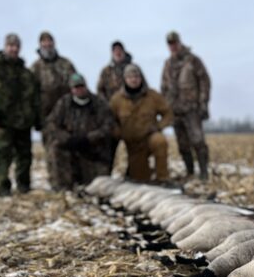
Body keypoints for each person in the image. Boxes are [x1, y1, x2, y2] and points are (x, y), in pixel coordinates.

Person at [0, 33, 40, 196]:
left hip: (24, 122)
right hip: (3, 122)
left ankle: (24, 185)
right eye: (10, 46)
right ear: (5, 47)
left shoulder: (25, 73)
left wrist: (35, 118)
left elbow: (35, 98)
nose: (13, 49)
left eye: (16, 46)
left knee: (24, 156)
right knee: (3, 156)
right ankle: (3, 187)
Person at [45, 73, 117, 190]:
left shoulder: (99, 103)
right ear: (71, 89)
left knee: (97, 186)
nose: (79, 89)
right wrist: (67, 138)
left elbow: (108, 126)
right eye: (76, 87)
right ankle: (62, 186)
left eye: (81, 86)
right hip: (71, 145)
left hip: (93, 147)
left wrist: (89, 138)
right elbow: (51, 123)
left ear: (86, 86)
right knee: (56, 147)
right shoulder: (64, 103)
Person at [160, 31, 211, 180]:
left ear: (180, 42)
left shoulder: (193, 61)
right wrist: (165, 108)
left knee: (198, 141)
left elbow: (204, 82)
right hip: (175, 111)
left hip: (192, 109)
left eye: (174, 43)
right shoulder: (167, 64)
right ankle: (190, 172)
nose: (173, 46)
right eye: (170, 44)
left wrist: (203, 104)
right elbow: (164, 87)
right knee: (182, 145)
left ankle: (203, 172)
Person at [109, 64, 173, 182]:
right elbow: (110, 120)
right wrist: (118, 132)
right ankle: (142, 173)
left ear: (141, 78)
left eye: (136, 77)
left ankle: (163, 178)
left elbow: (168, 113)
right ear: (125, 79)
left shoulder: (152, 96)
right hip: (133, 145)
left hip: (149, 137)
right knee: (140, 179)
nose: (134, 80)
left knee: (160, 141)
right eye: (130, 77)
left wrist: (159, 126)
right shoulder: (116, 100)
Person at [30, 31, 77, 187]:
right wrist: (36, 118)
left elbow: (77, 86)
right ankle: (56, 184)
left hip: (68, 116)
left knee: (71, 148)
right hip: (47, 118)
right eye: (44, 42)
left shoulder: (66, 64)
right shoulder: (35, 68)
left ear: (54, 43)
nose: (47, 45)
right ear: (40, 45)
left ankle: (73, 181)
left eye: (50, 42)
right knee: (52, 151)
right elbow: (31, 95)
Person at [97, 40, 133, 172]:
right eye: (115, 51)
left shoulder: (132, 69)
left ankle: (132, 175)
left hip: (130, 116)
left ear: (123, 52)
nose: (117, 53)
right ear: (112, 53)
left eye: (120, 50)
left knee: (134, 148)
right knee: (109, 148)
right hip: (112, 117)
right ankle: (106, 174)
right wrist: (106, 107)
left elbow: (142, 88)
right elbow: (100, 91)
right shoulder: (106, 71)